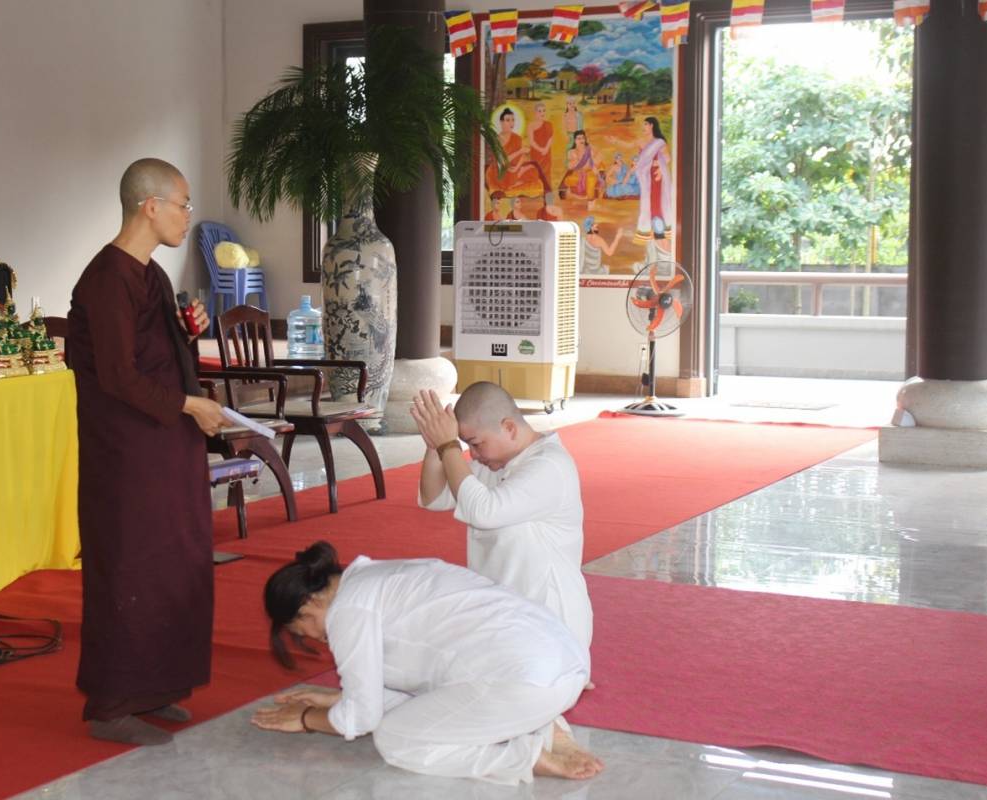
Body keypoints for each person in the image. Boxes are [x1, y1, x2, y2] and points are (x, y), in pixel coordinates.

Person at [67, 157, 230, 745]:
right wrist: (190, 405)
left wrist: (187, 329)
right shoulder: (107, 278)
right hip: (127, 455)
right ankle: (112, 706)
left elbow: (155, 352)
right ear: (150, 206)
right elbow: (118, 375)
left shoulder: (151, 274)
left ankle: (155, 687)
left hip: (163, 448)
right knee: (130, 566)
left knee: (172, 562)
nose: (188, 216)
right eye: (183, 204)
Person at [252, 542, 602, 785]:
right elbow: (419, 682)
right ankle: (546, 727)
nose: (316, 639)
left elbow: (362, 719)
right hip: (567, 666)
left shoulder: (347, 609)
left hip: (525, 685)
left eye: (303, 631)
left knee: (396, 739)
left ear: (308, 604)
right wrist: (339, 699)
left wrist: (306, 719)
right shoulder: (376, 577)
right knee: (429, 704)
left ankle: (525, 756)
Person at [410, 383, 593, 653]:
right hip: (506, 617)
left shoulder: (548, 465)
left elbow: (483, 511)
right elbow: (434, 497)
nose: (473, 454)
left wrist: (448, 446)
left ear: (509, 428)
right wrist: (435, 446)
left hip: (550, 622)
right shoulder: (495, 463)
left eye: (476, 444)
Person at [633, 116, 673, 241]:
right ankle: (649, 230)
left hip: (656, 176)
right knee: (647, 203)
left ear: (651, 125)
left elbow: (667, 158)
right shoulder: (642, 142)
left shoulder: (659, 142)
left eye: (645, 124)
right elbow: (636, 153)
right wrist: (616, 141)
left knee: (656, 202)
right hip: (645, 176)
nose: (643, 127)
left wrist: (660, 169)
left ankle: (659, 231)